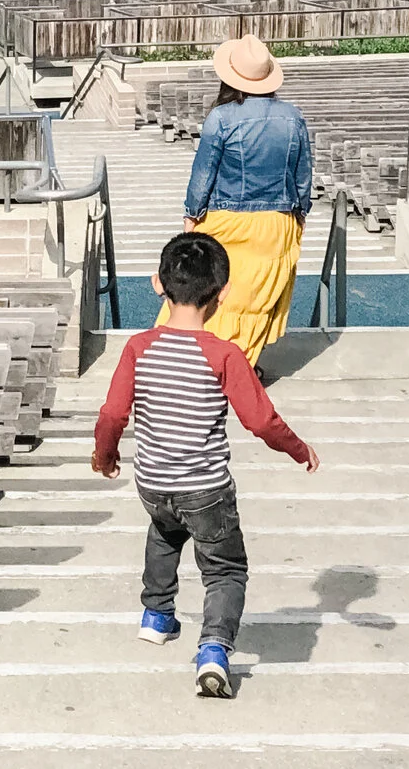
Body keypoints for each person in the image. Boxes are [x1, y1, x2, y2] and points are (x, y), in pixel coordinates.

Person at [92, 230, 319, 699]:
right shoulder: (224, 355)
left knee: (165, 528)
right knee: (225, 570)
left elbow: (113, 413)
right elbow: (260, 421)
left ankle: (156, 615)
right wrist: (300, 449)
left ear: (158, 284)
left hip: (152, 482)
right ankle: (214, 650)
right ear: (223, 294)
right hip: (206, 488)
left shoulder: (137, 348)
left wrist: (105, 456)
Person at [170, 35, 313, 367]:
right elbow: (302, 173)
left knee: (210, 290)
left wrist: (191, 216)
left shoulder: (221, 118)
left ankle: (195, 363)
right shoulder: (292, 117)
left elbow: (203, 174)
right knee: (257, 298)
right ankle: (239, 365)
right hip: (277, 221)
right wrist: (300, 214)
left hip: (226, 220)